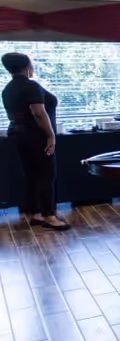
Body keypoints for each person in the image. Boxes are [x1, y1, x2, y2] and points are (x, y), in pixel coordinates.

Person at [1, 52, 69, 230]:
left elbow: (12, 115)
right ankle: (50, 216)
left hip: (17, 134)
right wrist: (50, 135)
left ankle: (37, 214)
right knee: (47, 175)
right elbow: (38, 112)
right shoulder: (30, 86)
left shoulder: (7, 89)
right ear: (26, 67)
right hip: (35, 135)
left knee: (32, 175)